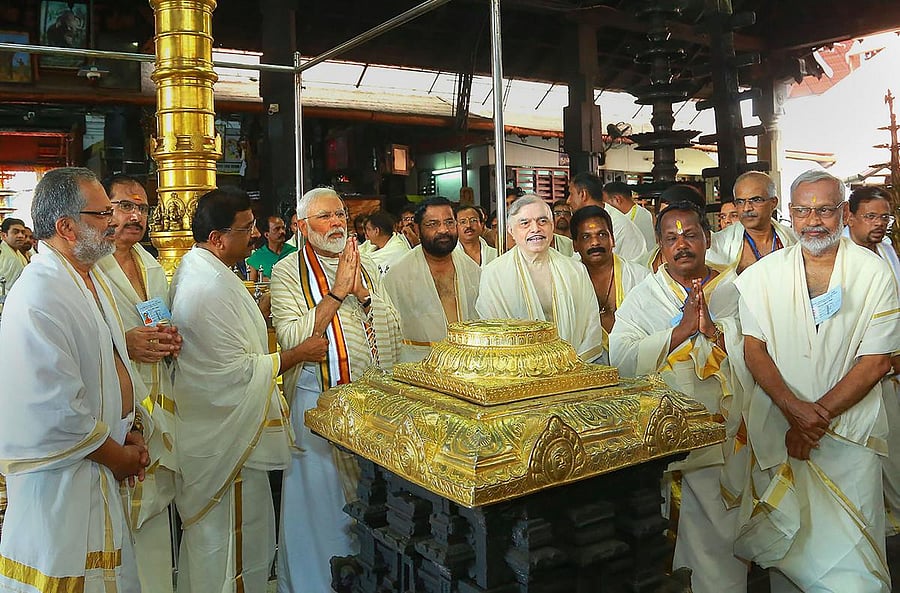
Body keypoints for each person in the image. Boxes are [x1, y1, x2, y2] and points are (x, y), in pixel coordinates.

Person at [733, 170, 900, 592]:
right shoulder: (761, 277)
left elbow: (878, 360)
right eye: (804, 210)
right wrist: (795, 412)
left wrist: (815, 419)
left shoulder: (873, 273)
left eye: (825, 209)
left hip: (849, 436)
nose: (814, 220)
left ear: (842, 213)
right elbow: (755, 350)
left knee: (855, 567)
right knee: (791, 550)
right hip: (782, 430)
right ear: (789, 213)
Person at [0, 166, 148, 593]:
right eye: (103, 215)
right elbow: (53, 410)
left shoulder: (89, 277)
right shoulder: (40, 294)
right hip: (62, 484)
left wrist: (133, 427)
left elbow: (110, 362)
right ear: (66, 226)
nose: (115, 222)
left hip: (98, 464)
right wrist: (118, 456)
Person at [170, 187, 315, 593]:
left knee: (246, 534)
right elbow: (233, 374)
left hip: (231, 435)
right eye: (246, 228)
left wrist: (261, 308)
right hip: (224, 436)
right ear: (217, 238)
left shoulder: (206, 270)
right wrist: (299, 352)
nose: (254, 235)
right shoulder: (208, 287)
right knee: (230, 539)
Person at [609, 200, 746, 593]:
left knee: (721, 524)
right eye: (671, 238)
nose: (681, 245)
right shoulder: (645, 295)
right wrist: (680, 331)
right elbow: (621, 356)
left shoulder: (736, 287)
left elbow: (762, 346)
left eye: (690, 235)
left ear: (707, 237)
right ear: (659, 244)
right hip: (666, 430)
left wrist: (718, 333)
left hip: (725, 429)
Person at [270, 187, 401, 593]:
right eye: (325, 217)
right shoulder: (287, 271)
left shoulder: (365, 266)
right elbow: (292, 337)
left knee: (364, 508)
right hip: (317, 407)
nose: (337, 224)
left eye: (341, 215)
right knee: (321, 514)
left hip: (368, 407)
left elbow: (394, 329)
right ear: (301, 226)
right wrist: (337, 291)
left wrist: (361, 293)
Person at [97, 174, 181, 593]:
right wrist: (123, 343)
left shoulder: (151, 264)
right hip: (116, 408)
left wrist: (170, 337)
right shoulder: (89, 265)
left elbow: (157, 319)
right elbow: (77, 336)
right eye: (125, 205)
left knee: (154, 514)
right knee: (118, 520)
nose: (135, 215)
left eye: (142, 208)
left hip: (156, 398)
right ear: (103, 209)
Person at [476, 194, 604, 362]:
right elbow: (492, 333)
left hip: (574, 371)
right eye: (525, 223)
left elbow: (591, 324)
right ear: (511, 230)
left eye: (542, 221)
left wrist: (573, 366)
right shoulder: (494, 274)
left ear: (552, 226)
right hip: (518, 374)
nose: (535, 228)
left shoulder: (575, 270)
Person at [844, 185, 900, 536]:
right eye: (871, 216)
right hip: (863, 368)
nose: (879, 224)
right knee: (873, 447)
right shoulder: (841, 258)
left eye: (885, 217)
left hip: (892, 365)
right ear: (850, 217)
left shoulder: (888, 251)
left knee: (893, 444)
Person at [384, 197, 482, 362]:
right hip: (417, 370)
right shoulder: (397, 276)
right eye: (433, 224)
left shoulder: (472, 270)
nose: (443, 230)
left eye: (449, 222)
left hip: (468, 366)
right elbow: (387, 333)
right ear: (417, 229)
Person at [571, 205, 649, 362]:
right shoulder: (567, 281)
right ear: (575, 245)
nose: (595, 242)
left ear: (612, 239)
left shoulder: (640, 277)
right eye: (586, 237)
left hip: (636, 367)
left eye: (601, 234)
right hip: (587, 372)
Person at [711, 171, 797, 274]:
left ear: (773, 203)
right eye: (740, 202)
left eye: (756, 200)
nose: (746, 208)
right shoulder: (719, 244)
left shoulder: (794, 240)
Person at [567, 172, 647, 261]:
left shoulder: (614, 223)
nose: (568, 201)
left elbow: (580, 263)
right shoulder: (594, 217)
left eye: (571, 194)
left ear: (583, 194)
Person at [603, 181, 655, 250]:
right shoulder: (643, 212)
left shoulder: (640, 216)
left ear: (617, 199)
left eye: (606, 203)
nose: (605, 208)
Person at [247, 215, 297, 281]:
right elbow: (252, 285)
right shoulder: (256, 257)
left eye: (283, 228)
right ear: (267, 235)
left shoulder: (294, 252)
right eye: (277, 229)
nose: (282, 232)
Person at [364, 209, 410, 275]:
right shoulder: (368, 246)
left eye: (368, 229)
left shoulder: (400, 251)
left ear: (376, 231)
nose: (366, 234)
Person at [0, 217, 28, 289]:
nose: (21, 236)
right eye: (16, 232)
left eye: (23, 232)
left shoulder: (20, 254)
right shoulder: (1, 253)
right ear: (4, 235)